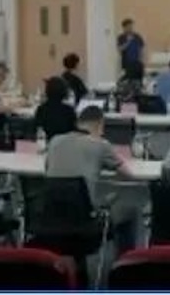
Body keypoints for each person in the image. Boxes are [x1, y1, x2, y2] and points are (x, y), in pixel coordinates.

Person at [45, 106, 136, 253]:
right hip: (86, 219)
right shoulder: (100, 144)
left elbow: (47, 169)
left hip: (51, 215)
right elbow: (129, 174)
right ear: (99, 124)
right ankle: (125, 261)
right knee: (129, 209)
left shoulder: (55, 141)